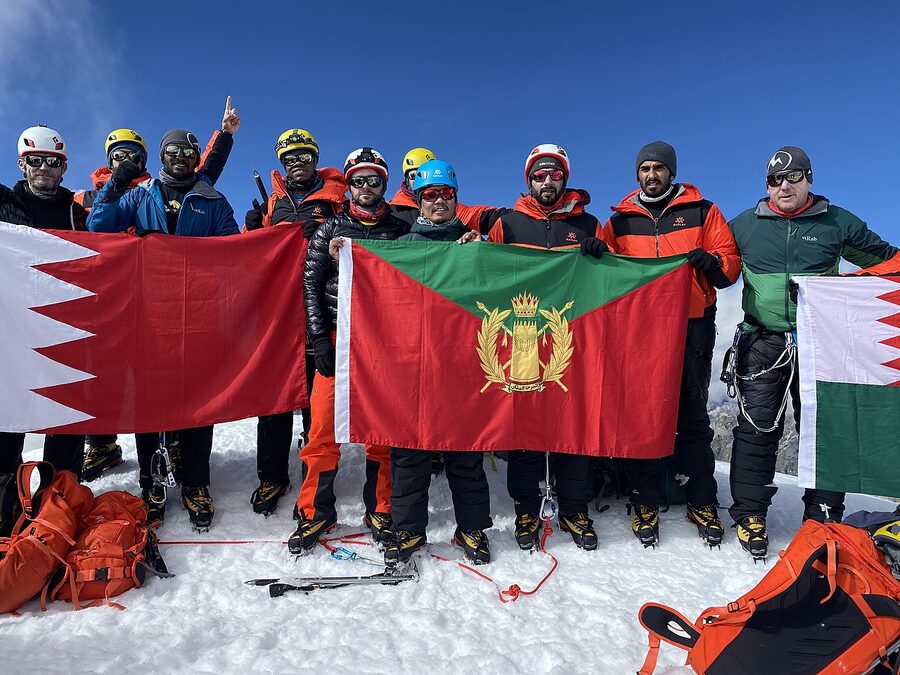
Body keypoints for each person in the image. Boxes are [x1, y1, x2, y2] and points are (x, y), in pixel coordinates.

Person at [727, 146, 900, 559]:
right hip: (762, 339)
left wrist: (856, 298)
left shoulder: (836, 222)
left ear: (809, 179)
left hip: (823, 340)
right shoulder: (745, 225)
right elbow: (714, 262)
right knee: (757, 429)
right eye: (774, 179)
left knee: (824, 430)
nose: (783, 186)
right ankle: (750, 514)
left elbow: (887, 262)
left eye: (793, 177)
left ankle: (823, 517)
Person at [78, 98, 240, 483]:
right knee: (150, 397)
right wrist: (117, 181)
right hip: (149, 314)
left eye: (188, 152)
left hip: (198, 314)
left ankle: (196, 481)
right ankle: (151, 482)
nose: (180, 157)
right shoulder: (139, 194)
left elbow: (234, 251)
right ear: (163, 157)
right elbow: (99, 227)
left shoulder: (212, 200)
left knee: (198, 396)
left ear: (196, 157)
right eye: (173, 151)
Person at [602, 141, 740, 549]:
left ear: (671, 172)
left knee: (693, 413)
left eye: (659, 168)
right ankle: (645, 498)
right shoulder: (621, 220)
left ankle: (701, 498)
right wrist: (593, 253)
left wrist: (713, 264)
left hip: (693, 324)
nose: (651, 175)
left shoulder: (703, 211)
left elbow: (729, 264)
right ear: (636, 173)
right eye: (644, 168)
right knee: (645, 414)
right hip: (641, 329)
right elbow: (604, 272)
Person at [289, 147, 409, 554]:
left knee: (382, 429)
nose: (365, 187)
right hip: (339, 340)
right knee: (322, 427)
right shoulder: (330, 229)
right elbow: (310, 285)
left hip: (384, 344)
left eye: (373, 179)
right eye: (358, 180)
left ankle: (381, 506)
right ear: (349, 184)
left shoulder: (400, 231)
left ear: (384, 184)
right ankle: (315, 510)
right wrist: (320, 338)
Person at [486, 144, 605, 551]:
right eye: (539, 175)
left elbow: (614, 281)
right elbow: (486, 271)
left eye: (555, 174)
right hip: (523, 340)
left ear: (565, 178)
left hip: (575, 337)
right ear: (529, 180)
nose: (547, 181)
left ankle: (575, 508)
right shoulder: (511, 223)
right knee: (525, 427)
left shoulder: (589, 222)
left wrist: (600, 254)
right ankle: (526, 508)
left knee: (574, 423)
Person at [383, 160, 489, 566]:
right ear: (419, 201)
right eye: (431, 195)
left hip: (464, 363)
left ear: (456, 199)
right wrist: (345, 250)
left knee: (466, 450)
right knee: (409, 449)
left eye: (447, 194)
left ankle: (472, 527)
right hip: (414, 362)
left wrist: (479, 250)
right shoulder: (403, 246)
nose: (439, 201)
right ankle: (408, 530)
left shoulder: (473, 244)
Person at [243, 128, 347, 516]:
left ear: (316, 159)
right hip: (279, 313)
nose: (296, 164)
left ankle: (311, 473)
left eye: (303, 156)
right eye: (289, 159)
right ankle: (271, 475)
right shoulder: (274, 200)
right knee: (274, 397)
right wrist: (254, 229)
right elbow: (255, 254)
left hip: (320, 309)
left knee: (312, 397)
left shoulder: (337, 199)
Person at [0, 125, 88, 481]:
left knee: (66, 414)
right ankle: (6, 503)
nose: (43, 168)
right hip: (13, 327)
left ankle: (59, 498)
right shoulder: (5, 203)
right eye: (34, 160)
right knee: (8, 415)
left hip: (63, 327)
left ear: (63, 168)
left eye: (52, 162)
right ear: (22, 164)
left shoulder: (77, 211)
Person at [389, 147, 436, 225]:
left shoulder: (450, 209)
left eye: (427, 174)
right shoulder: (390, 212)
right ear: (407, 180)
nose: (421, 180)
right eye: (414, 175)